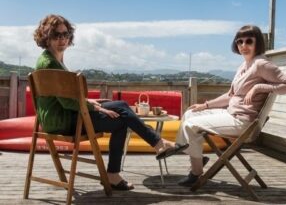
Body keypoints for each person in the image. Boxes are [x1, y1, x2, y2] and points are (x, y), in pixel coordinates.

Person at [33, 14, 188, 191]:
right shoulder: (50, 63)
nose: (62, 39)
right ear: (46, 37)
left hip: (62, 117)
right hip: (64, 121)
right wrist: (95, 107)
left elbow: (65, 97)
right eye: (56, 35)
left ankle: (155, 146)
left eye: (65, 34)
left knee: (120, 106)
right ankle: (143, 154)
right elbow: (67, 103)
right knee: (121, 121)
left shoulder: (52, 59)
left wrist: (92, 101)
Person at [172, 25, 286, 187]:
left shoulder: (262, 64)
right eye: (239, 42)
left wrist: (259, 87)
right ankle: (196, 157)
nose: (243, 45)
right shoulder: (244, 66)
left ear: (258, 43)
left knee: (190, 125)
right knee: (190, 113)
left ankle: (196, 171)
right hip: (232, 114)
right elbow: (230, 96)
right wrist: (205, 105)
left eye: (249, 41)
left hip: (243, 122)